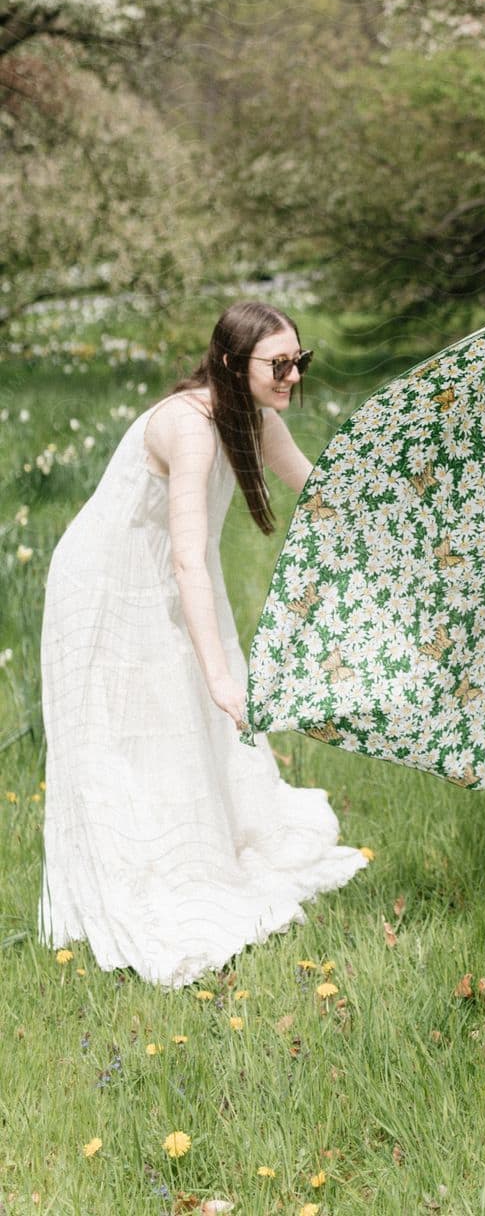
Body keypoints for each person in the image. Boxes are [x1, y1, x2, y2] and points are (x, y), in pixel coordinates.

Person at [39, 301, 368, 989]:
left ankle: (202, 849)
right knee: (138, 728)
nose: (292, 377)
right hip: (109, 583)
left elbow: (317, 492)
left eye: (298, 362)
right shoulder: (187, 426)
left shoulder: (256, 417)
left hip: (179, 573)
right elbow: (184, 558)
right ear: (229, 362)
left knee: (189, 721)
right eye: (278, 365)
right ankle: (146, 868)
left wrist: (404, 506)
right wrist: (220, 677)